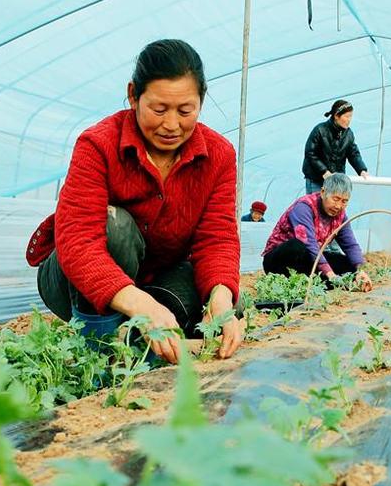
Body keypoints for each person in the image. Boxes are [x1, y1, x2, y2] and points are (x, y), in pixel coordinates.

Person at [26, 39, 242, 364]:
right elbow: (79, 241)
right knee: (115, 225)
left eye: (186, 111)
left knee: (226, 298)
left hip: (155, 277)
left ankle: (133, 336)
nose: (171, 125)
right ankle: (99, 350)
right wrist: (143, 306)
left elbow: (217, 239)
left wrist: (221, 299)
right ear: (133, 96)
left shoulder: (218, 156)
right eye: (158, 110)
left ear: (201, 101)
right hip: (74, 276)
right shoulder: (98, 145)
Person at [262, 173, 373, 292]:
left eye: (344, 201)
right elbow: (309, 244)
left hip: (309, 259)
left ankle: (314, 282)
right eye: (335, 199)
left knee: (348, 264)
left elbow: (350, 244)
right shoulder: (304, 207)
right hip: (281, 259)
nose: (338, 206)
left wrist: (361, 270)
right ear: (323, 192)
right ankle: (313, 282)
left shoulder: (340, 216)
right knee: (297, 246)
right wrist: (330, 274)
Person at [301, 99, 370, 194]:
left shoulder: (348, 134)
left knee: (335, 206)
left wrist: (362, 170)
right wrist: (324, 171)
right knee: (316, 205)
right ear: (336, 116)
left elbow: (353, 154)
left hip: (336, 180)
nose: (349, 119)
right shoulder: (320, 130)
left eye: (351, 116)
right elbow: (310, 153)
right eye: (347, 116)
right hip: (316, 179)